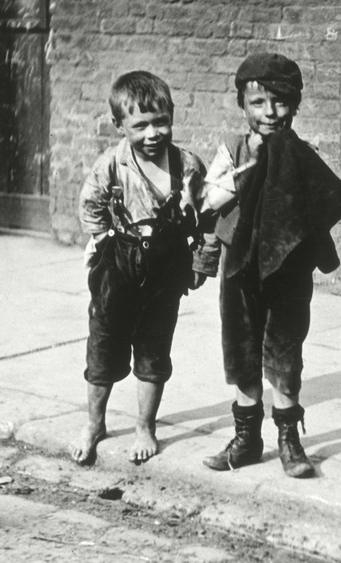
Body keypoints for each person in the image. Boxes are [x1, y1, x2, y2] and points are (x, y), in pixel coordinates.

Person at [200, 52, 341, 478]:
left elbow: (317, 207)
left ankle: (289, 440)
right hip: (239, 264)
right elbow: (209, 200)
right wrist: (247, 164)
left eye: (280, 103)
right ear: (242, 105)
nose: (270, 113)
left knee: (285, 351)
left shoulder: (302, 153)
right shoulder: (232, 149)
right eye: (258, 104)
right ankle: (247, 439)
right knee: (241, 347)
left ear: (295, 105)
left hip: (287, 267)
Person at [70, 71, 217, 466]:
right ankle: (94, 423)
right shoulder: (111, 165)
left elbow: (208, 219)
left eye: (161, 122)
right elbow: (90, 205)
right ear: (120, 126)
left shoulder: (186, 166)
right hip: (118, 265)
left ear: (172, 117)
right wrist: (101, 244)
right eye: (141, 126)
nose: (153, 133)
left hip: (165, 270)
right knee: (103, 345)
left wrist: (201, 263)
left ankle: (144, 427)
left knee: (154, 349)